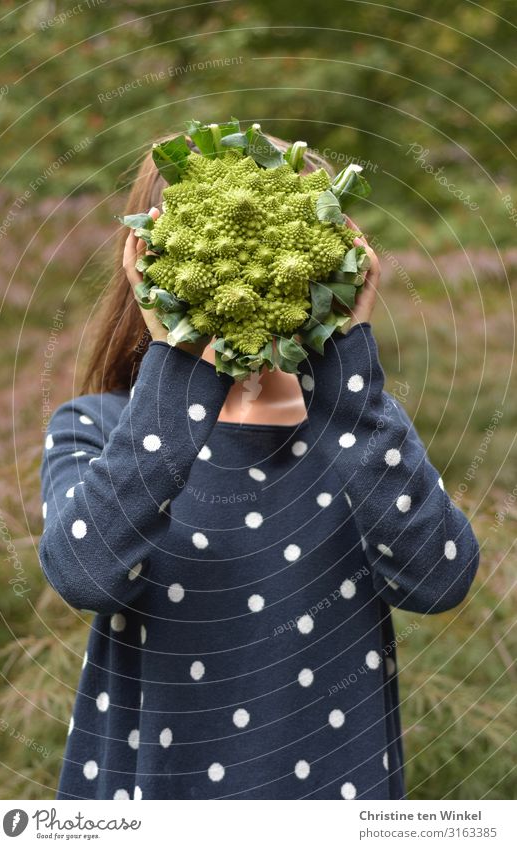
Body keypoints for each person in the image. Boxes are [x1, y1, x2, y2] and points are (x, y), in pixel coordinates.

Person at [38, 134, 480, 801]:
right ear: (147, 262)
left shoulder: (353, 430)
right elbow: (82, 571)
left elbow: (441, 576)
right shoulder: (99, 425)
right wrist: (182, 362)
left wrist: (348, 366)